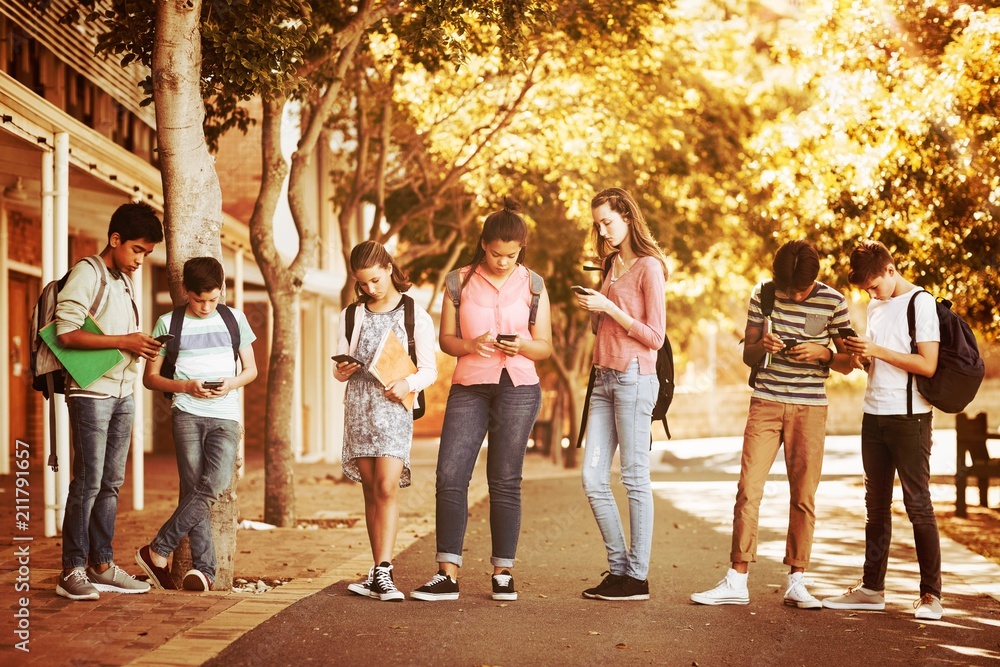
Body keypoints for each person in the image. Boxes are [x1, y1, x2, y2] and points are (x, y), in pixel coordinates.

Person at [690, 240, 853, 609]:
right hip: (765, 402)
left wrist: (823, 353)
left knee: (804, 496)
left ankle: (797, 580)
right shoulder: (762, 295)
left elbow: (847, 362)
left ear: (815, 278)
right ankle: (737, 579)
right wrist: (763, 344)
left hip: (810, 408)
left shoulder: (833, 302)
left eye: (801, 290)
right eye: (788, 290)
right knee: (748, 490)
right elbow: (748, 353)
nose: (794, 296)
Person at [411, 196, 552, 602]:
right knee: (450, 475)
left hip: (519, 387)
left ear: (520, 249)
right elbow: (446, 341)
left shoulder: (534, 285)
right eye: (495, 253)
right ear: (483, 244)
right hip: (469, 386)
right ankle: (447, 573)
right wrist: (472, 342)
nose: (503, 261)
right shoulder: (458, 282)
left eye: (511, 254)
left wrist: (521, 346)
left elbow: (545, 347)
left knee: (505, 480)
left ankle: (503, 572)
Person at [823, 240, 943, 620]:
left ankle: (931, 596)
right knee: (875, 507)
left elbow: (928, 365)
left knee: (918, 506)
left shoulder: (920, 303)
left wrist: (876, 351)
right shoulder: (876, 305)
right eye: (867, 289)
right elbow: (878, 363)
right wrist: (863, 358)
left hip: (910, 419)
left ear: (891, 270)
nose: (872, 294)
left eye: (875, 285)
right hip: (873, 416)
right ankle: (872, 588)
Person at [54, 201, 164, 601]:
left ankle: (101, 565)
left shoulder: (123, 280)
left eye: (147, 254)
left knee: (111, 484)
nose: (140, 260)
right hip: (90, 393)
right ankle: (72, 569)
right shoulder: (88, 272)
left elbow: (117, 335)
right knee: (87, 482)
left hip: (122, 392)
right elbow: (65, 332)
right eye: (137, 250)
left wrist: (141, 346)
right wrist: (125, 340)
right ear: (115, 239)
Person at [136, 256, 258, 591]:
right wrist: (186, 386)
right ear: (186, 292)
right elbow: (151, 378)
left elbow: (251, 370)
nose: (206, 307)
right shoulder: (168, 322)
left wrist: (230, 384)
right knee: (194, 490)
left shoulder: (235, 319)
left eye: (213, 299)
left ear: (222, 291)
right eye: (198, 299)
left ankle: (158, 549)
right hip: (186, 413)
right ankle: (204, 571)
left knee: (214, 483)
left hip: (226, 416)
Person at [576, 187, 667, 601]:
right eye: (598, 224)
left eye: (608, 221)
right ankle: (619, 570)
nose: (603, 230)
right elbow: (605, 329)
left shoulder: (650, 268)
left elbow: (655, 337)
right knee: (592, 477)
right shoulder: (610, 263)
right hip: (603, 378)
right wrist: (594, 311)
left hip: (634, 378)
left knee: (633, 478)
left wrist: (609, 308)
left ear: (628, 216)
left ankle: (638, 577)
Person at [335, 241, 437, 602]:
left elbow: (430, 370)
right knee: (369, 490)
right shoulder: (352, 314)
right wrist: (342, 370)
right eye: (363, 284)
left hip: (394, 408)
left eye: (376, 280)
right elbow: (339, 370)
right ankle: (376, 572)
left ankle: (385, 571)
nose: (371, 289)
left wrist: (407, 384)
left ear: (390, 269)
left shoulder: (416, 315)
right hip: (359, 407)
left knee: (386, 488)